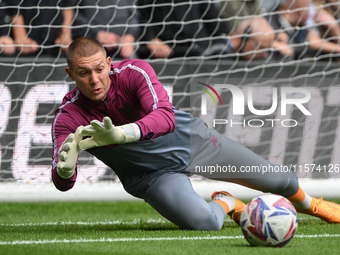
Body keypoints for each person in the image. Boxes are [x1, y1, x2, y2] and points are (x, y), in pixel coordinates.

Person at [52, 37, 340, 231]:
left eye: (100, 69)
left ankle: (310, 204)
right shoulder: (68, 117)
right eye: (84, 73)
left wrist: (123, 135)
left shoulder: (135, 72)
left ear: (110, 62)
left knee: (279, 180)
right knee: (205, 223)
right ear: (70, 74)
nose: (94, 79)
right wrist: (64, 173)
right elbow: (62, 183)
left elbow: (164, 117)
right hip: (152, 176)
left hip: (192, 143)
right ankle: (228, 201)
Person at [137, 0, 233, 59]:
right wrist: (150, 39)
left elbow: (213, 20)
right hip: (161, 49)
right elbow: (139, 15)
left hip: (194, 49)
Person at [70, 0, 140, 59]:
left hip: (123, 49)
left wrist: (130, 35)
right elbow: (69, 11)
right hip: (88, 48)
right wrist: (96, 33)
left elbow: (134, 14)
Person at [6, 0, 73, 56]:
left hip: (56, 42)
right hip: (27, 40)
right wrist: (20, 36)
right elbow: (14, 7)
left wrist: (65, 35)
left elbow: (68, 5)